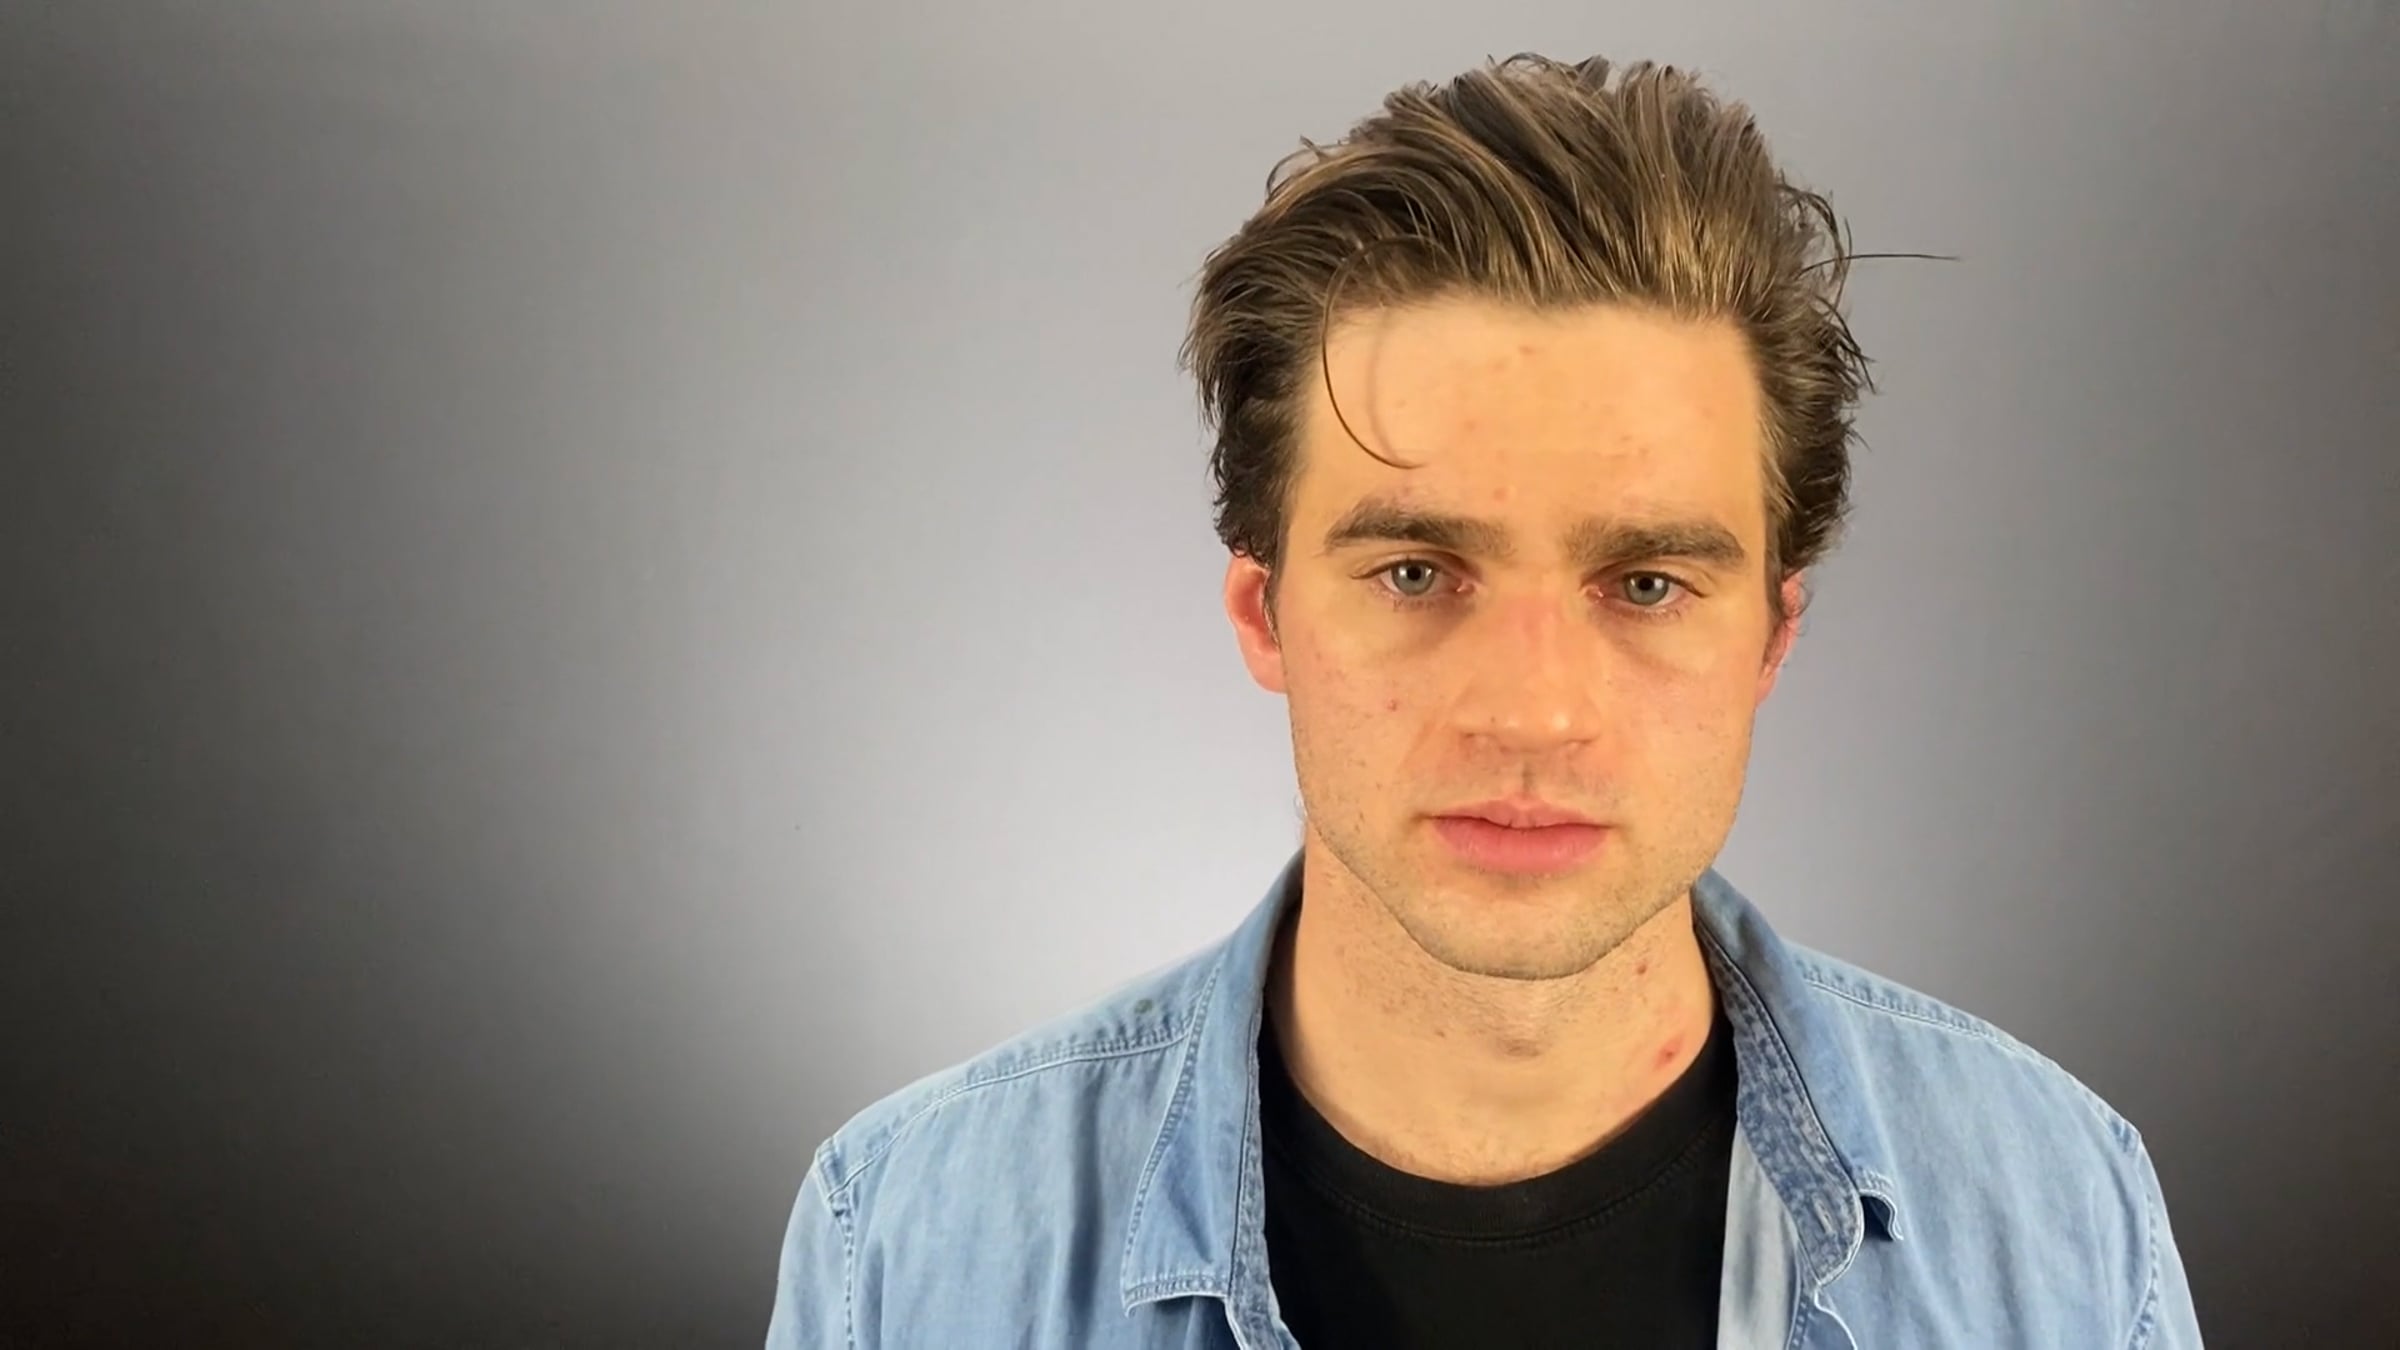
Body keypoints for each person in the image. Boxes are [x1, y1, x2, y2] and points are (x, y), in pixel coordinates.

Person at [765, 52, 2203, 1349]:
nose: (1532, 713)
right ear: (1265, 615)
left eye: (1647, 583)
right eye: (1414, 572)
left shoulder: (2060, 1211)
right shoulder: (902, 1239)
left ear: (1772, 638)